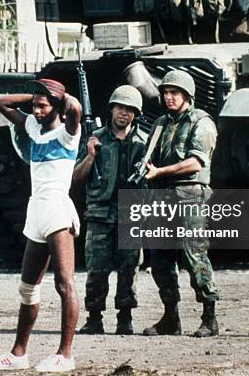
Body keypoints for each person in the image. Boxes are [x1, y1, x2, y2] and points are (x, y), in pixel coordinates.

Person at [0, 78, 82, 373]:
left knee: (64, 284)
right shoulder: (31, 126)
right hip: (36, 210)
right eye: (34, 106)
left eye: (43, 106)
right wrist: (38, 93)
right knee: (28, 288)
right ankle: (19, 353)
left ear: (56, 108)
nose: (37, 110)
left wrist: (58, 95)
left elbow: (75, 107)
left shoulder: (69, 134)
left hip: (57, 210)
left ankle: (64, 354)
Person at [142, 70, 220, 338]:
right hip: (161, 197)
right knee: (160, 258)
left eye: (174, 92)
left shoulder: (202, 122)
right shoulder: (161, 123)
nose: (168, 97)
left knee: (194, 255)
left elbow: (196, 162)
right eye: (165, 92)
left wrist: (161, 172)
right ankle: (170, 318)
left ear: (187, 95)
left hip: (189, 196)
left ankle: (210, 318)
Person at [73, 86, 147, 335]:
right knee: (97, 269)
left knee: (129, 268)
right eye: (120, 108)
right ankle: (94, 317)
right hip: (100, 214)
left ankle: (125, 318)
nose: (124, 114)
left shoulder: (144, 143)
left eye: (129, 110)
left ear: (136, 114)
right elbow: (75, 177)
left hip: (132, 214)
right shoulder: (94, 138)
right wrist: (90, 156)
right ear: (112, 109)